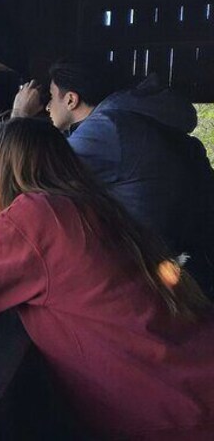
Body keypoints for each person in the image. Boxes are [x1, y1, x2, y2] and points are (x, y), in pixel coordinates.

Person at [0, 118, 214, 440]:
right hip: (193, 374)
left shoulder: (38, 217)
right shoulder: (80, 205)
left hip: (180, 408)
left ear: (6, 171)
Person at [12, 65, 214, 299]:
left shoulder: (106, 128)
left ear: (70, 100)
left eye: (50, 97)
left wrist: (20, 115)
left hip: (166, 273)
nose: (46, 106)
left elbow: (27, 176)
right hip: (189, 257)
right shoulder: (127, 118)